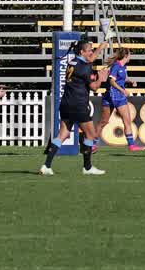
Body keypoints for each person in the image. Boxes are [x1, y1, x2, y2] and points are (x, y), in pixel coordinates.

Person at [40, 40, 106, 176]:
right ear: (82, 52)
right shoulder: (85, 67)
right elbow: (94, 87)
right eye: (89, 50)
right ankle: (87, 167)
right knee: (90, 135)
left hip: (66, 103)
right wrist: (101, 78)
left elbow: (90, 59)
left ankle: (46, 165)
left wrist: (100, 47)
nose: (91, 53)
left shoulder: (72, 62)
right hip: (78, 104)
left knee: (63, 135)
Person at [94, 48, 145, 151]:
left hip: (113, 96)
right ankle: (131, 145)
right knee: (117, 121)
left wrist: (130, 81)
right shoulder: (116, 66)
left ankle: (91, 144)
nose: (130, 57)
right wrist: (122, 90)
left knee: (108, 121)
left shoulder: (123, 67)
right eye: (129, 54)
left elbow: (121, 78)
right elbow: (111, 81)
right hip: (114, 95)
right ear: (125, 56)